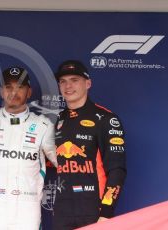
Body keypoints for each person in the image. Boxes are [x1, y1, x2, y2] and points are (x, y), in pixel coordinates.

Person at [0, 66, 57, 230]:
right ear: (2, 91)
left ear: (29, 92)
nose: (14, 92)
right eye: (9, 87)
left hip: (28, 205)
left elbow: (62, 160)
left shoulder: (43, 125)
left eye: (20, 87)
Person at [52, 60, 127, 229]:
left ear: (88, 83)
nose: (68, 86)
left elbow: (117, 170)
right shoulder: (58, 120)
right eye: (63, 81)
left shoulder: (107, 119)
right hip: (62, 212)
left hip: (94, 210)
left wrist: (106, 212)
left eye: (74, 80)